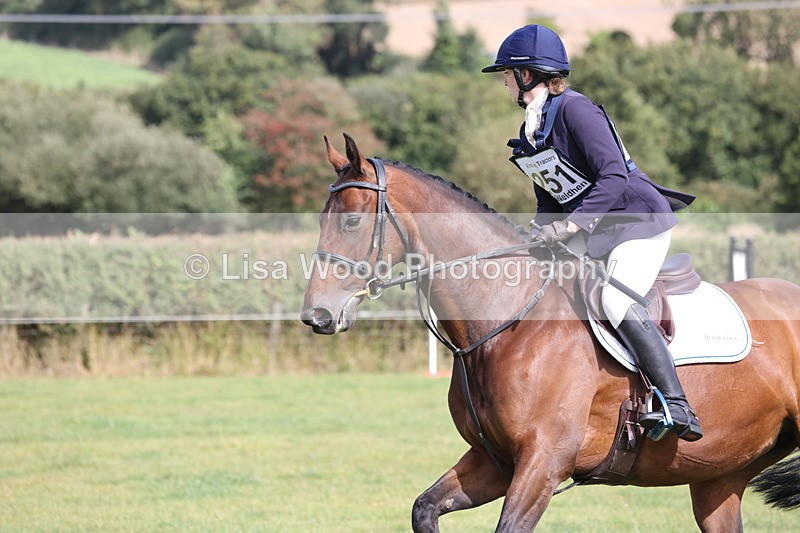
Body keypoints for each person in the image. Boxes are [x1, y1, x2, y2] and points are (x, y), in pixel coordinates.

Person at [482, 24, 703, 441]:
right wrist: (538, 236)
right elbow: (551, 198)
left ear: (527, 74)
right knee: (542, 285)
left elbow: (613, 176)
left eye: (507, 73)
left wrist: (572, 225)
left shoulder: (576, 110)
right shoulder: (533, 131)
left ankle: (677, 403)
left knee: (614, 298)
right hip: (596, 227)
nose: (504, 81)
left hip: (635, 221)